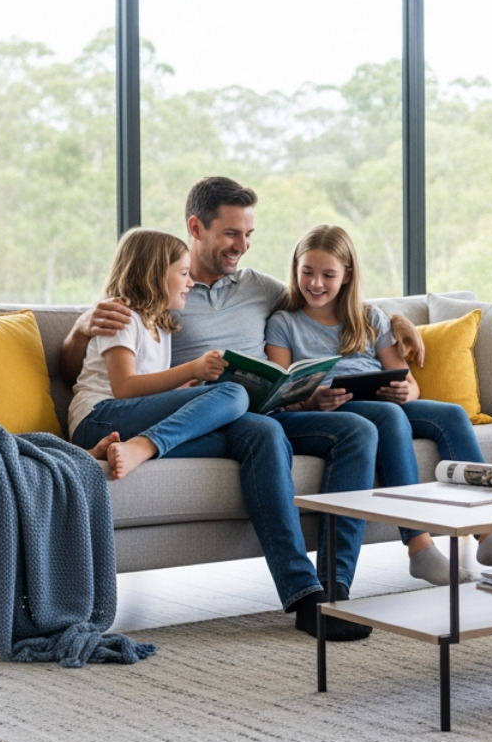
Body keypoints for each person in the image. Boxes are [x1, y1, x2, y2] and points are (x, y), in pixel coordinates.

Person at [62, 177, 421, 642]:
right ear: (196, 226)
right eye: (232, 234)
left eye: (249, 234)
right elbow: (89, 366)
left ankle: (333, 591)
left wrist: (396, 320)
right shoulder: (165, 291)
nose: (242, 246)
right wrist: (81, 326)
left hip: (263, 410)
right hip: (210, 415)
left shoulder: (262, 289)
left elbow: (328, 298)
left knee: (357, 431)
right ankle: (301, 593)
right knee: (261, 432)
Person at [265, 224, 492, 584]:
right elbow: (280, 390)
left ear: (347, 276)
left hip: (382, 401)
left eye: (328, 274)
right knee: (388, 415)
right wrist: (313, 398)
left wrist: (407, 392)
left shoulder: (369, 317)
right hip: (329, 409)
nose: (316, 283)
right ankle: (419, 546)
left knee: (450, 414)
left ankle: (486, 530)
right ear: (295, 269)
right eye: (307, 272)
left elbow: (407, 381)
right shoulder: (284, 323)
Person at [67, 228, 247, 481]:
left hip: (120, 425)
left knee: (225, 441)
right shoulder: (122, 316)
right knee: (234, 394)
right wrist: (192, 369)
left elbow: (143, 390)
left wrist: (181, 390)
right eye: (184, 273)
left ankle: (126, 449)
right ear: (154, 275)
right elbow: (125, 388)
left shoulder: (161, 326)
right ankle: (144, 446)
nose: (190, 283)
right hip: (98, 418)